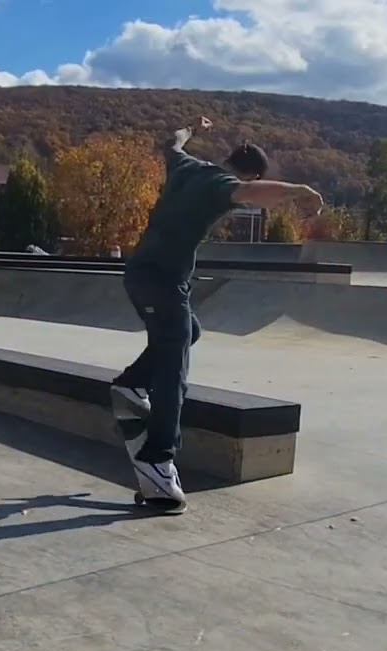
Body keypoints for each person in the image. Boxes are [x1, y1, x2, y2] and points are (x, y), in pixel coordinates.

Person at [111, 116, 324, 508]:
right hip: (162, 280)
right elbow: (249, 191)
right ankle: (158, 460)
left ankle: (131, 384)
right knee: (176, 359)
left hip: (142, 273)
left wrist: (191, 127)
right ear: (252, 171)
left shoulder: (186, 164)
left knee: (188, 331)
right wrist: (298, 190)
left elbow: (171, 141)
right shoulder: (221, 185)